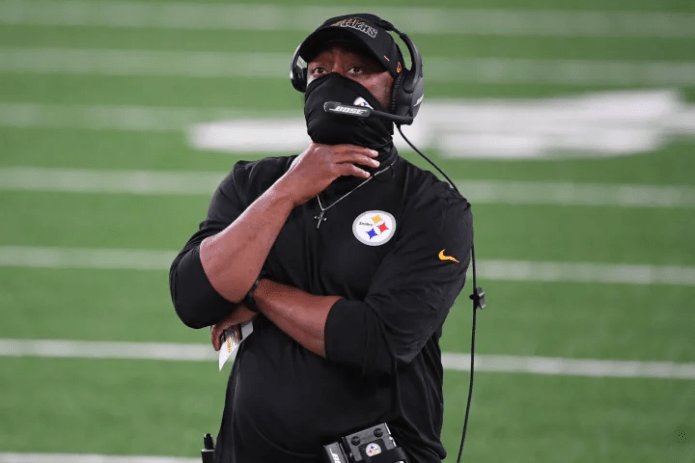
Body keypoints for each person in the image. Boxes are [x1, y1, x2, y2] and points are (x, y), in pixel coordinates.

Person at [169, 13, 473, 463]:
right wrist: (288, 191)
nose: (335, 82)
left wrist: (257, 292)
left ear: (401, 90)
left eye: (357, 70)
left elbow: (376, 341)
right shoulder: (254, 185)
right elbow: (194, 299)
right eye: (320, 70)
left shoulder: (434, 208)